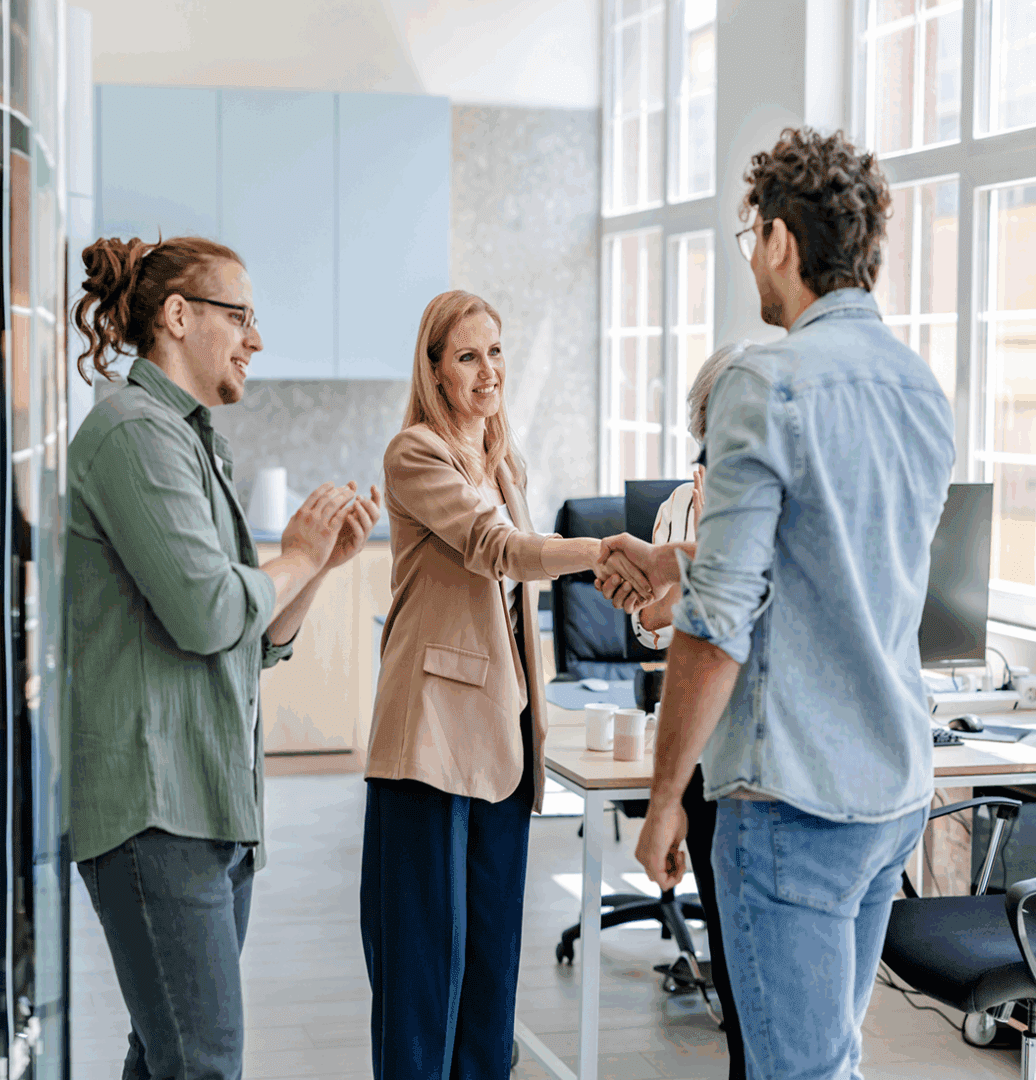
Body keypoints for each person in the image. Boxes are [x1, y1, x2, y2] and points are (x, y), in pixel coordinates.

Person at [596, 128, 954, 1080]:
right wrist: (675, 563)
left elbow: (717, 627)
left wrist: (665, 797)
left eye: (750, 234)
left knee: (793, 1072)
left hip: (790, 798)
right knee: (829, 1061)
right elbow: (835, 570)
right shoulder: (920, 389)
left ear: (781, 242)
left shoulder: (764, 381)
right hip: (891, 789)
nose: (749, 256)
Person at [65, 234, 381, 1080]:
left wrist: (319, 567)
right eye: (239, 315)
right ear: (177, 317)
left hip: (206, 804)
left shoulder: (190, 438)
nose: (256, 337)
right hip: (155, 809)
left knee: (168, 1051)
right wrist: (298, 555)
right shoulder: (133, 433)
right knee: (200, 1060)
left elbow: (256, 642)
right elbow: (208, 613)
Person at [359, 290, 649, 1080]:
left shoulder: (502, 458)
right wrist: (600, 552)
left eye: (495, 351)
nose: (488, 371)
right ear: (434, 370)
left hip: (504, 732)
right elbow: (498, 550)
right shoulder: (414, 452)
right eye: (466, 356)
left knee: (491, 962)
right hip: (430, 737)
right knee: (426, 965)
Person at [628, 341, 748, 1080]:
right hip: (709, 746)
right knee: (739, 965)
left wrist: (704, 559)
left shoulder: (766, 500)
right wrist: (696, 558)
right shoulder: (683, 504)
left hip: (757, 751)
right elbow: (654, 624)